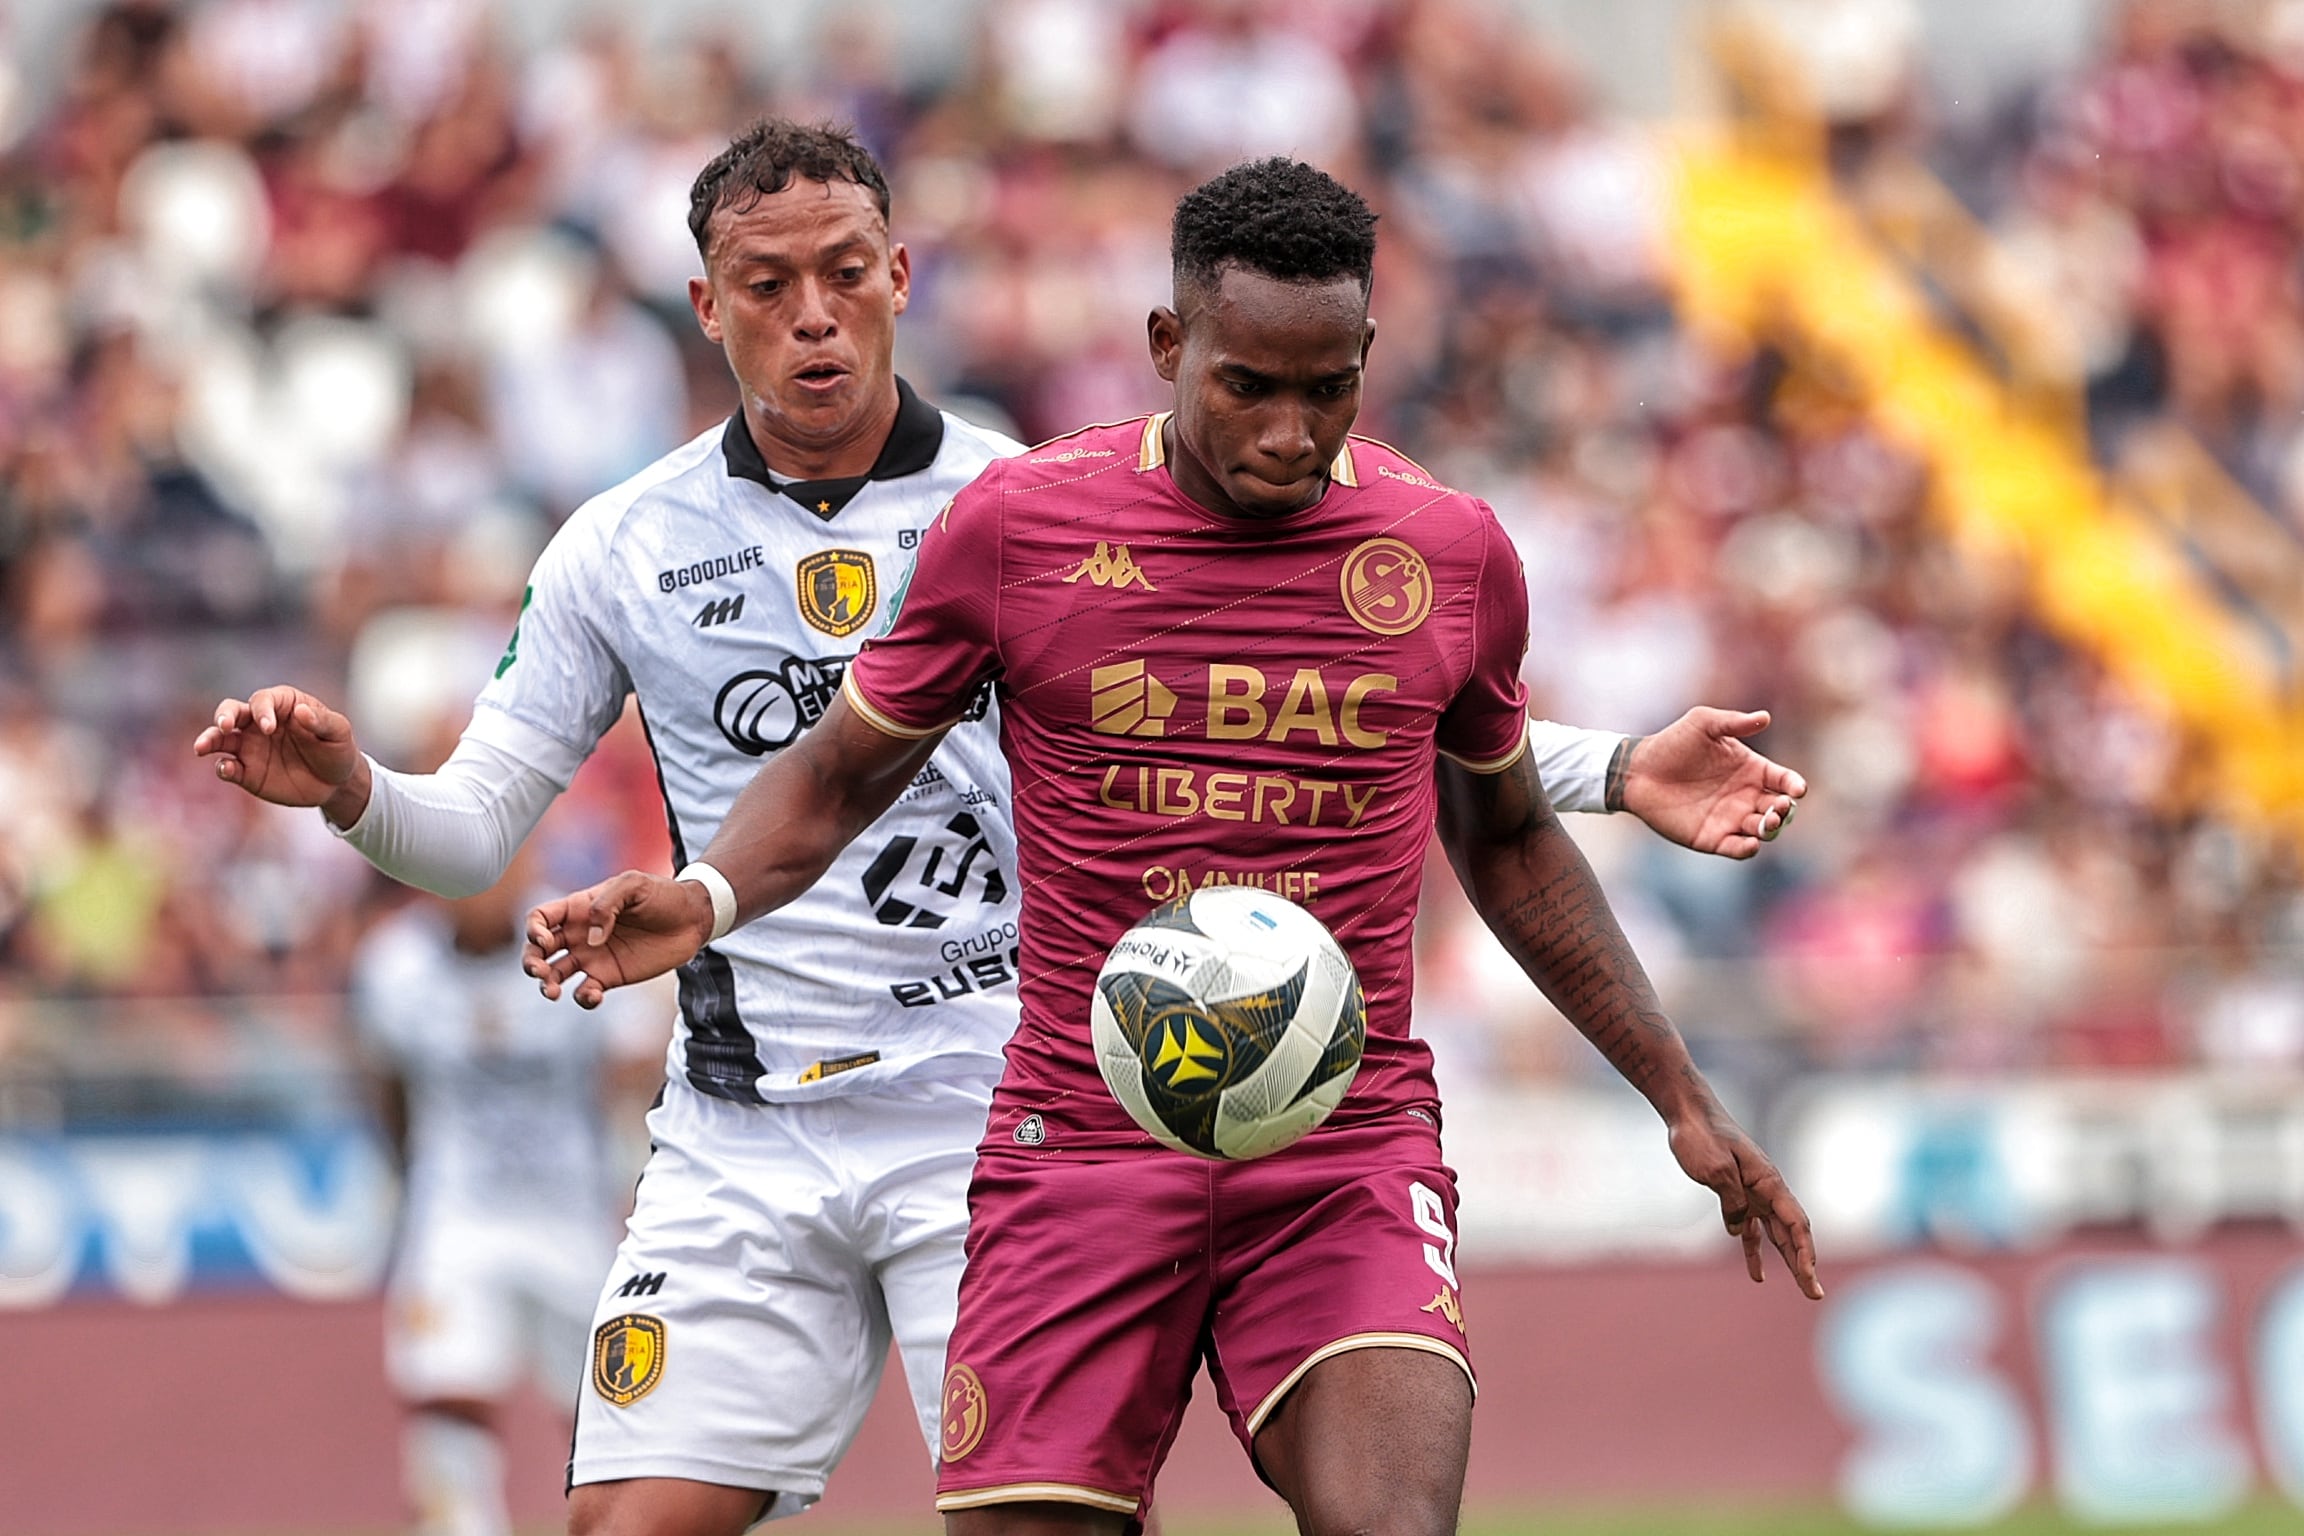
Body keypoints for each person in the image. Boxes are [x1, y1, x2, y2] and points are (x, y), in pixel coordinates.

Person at [198, 122, 1802, 1536]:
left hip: (1005, 1095)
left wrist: (1604, 770)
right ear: (707, 306)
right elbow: (527, 829)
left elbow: (1328, 702)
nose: (813, 316)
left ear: (904, 275)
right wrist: (367, 800)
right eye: (768, 286)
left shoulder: (1026, 498)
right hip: (753, 1121)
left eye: (845, 273)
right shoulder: (638, 546)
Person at [355, 853, 664, 1536]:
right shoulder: (394, 966)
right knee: (447, 1402)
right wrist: (408, 1178)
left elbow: (642, 1063)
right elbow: (384, 1085)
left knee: (610, 1422)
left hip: (571, 1219)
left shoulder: (582, 942)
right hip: (456, 1217)